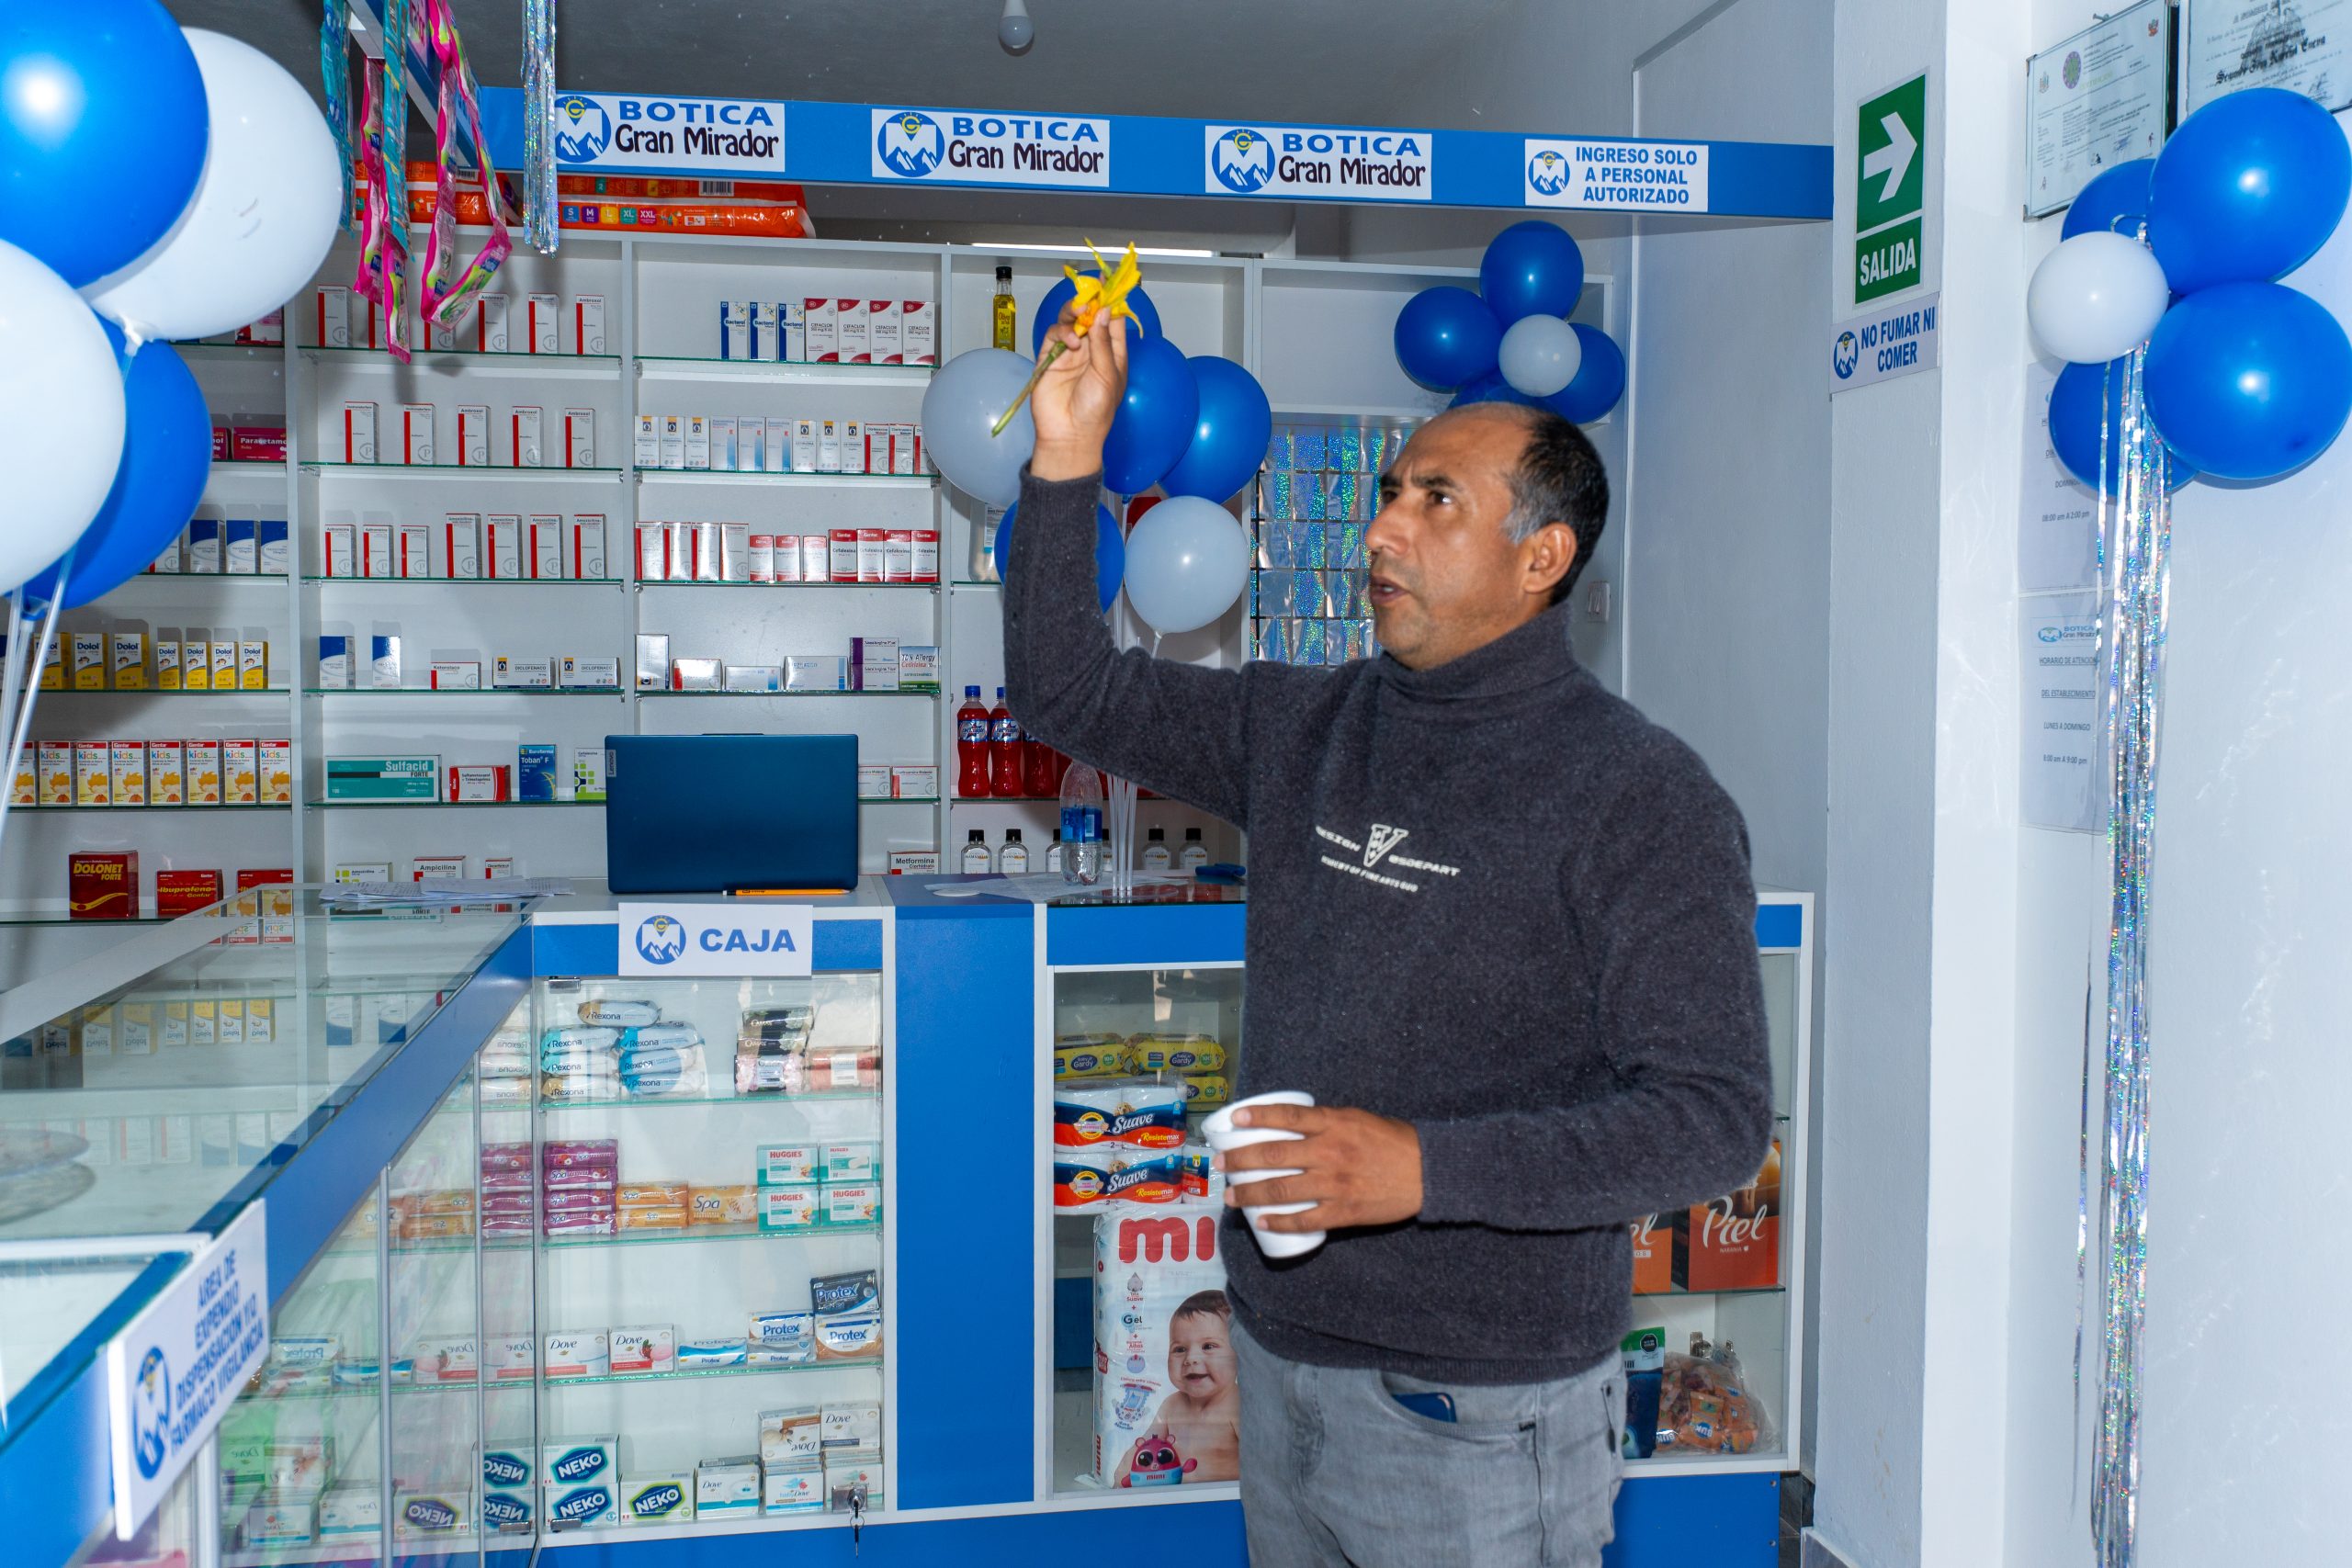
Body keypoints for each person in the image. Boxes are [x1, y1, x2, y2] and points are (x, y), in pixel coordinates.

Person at [1003, 304, 1772, 1568]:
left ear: (1541, 557)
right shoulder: (1303, 725)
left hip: (1481, 1412)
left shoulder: (1642, 796)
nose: (1381, 529)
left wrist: (1423, 1171)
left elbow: (1712, 1117)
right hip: (1278, 1358)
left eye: (1436, 501)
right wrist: (1065, 455)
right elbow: (1064, 690)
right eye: (1388, 493)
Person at [1114, 1289, 1241, 1484]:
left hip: (1227, 1499)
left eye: (1208, 1346)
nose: (1191, 1359)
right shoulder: (1172, 1406)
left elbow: (1264, 1459)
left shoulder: (1239, 1405)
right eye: (1180, 1349)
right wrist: (1121, 1479)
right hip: (1176, 1498)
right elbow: (1142, 1448)